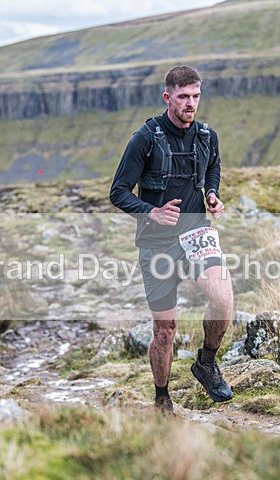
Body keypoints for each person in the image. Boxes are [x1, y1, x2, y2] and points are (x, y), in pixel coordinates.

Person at [110, 65, 233, 415]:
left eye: (195, 96)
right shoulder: (145, 138)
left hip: (197, 233)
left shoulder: (208, 136)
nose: (190, 103)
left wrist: (212, 193)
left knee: (222, 300)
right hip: (157, 242)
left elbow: (213, 167)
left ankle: (206, 363)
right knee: (165, 330)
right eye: (183, 97)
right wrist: (152, 211)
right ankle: (162, 397)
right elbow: (118, 192)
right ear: (168, 98)